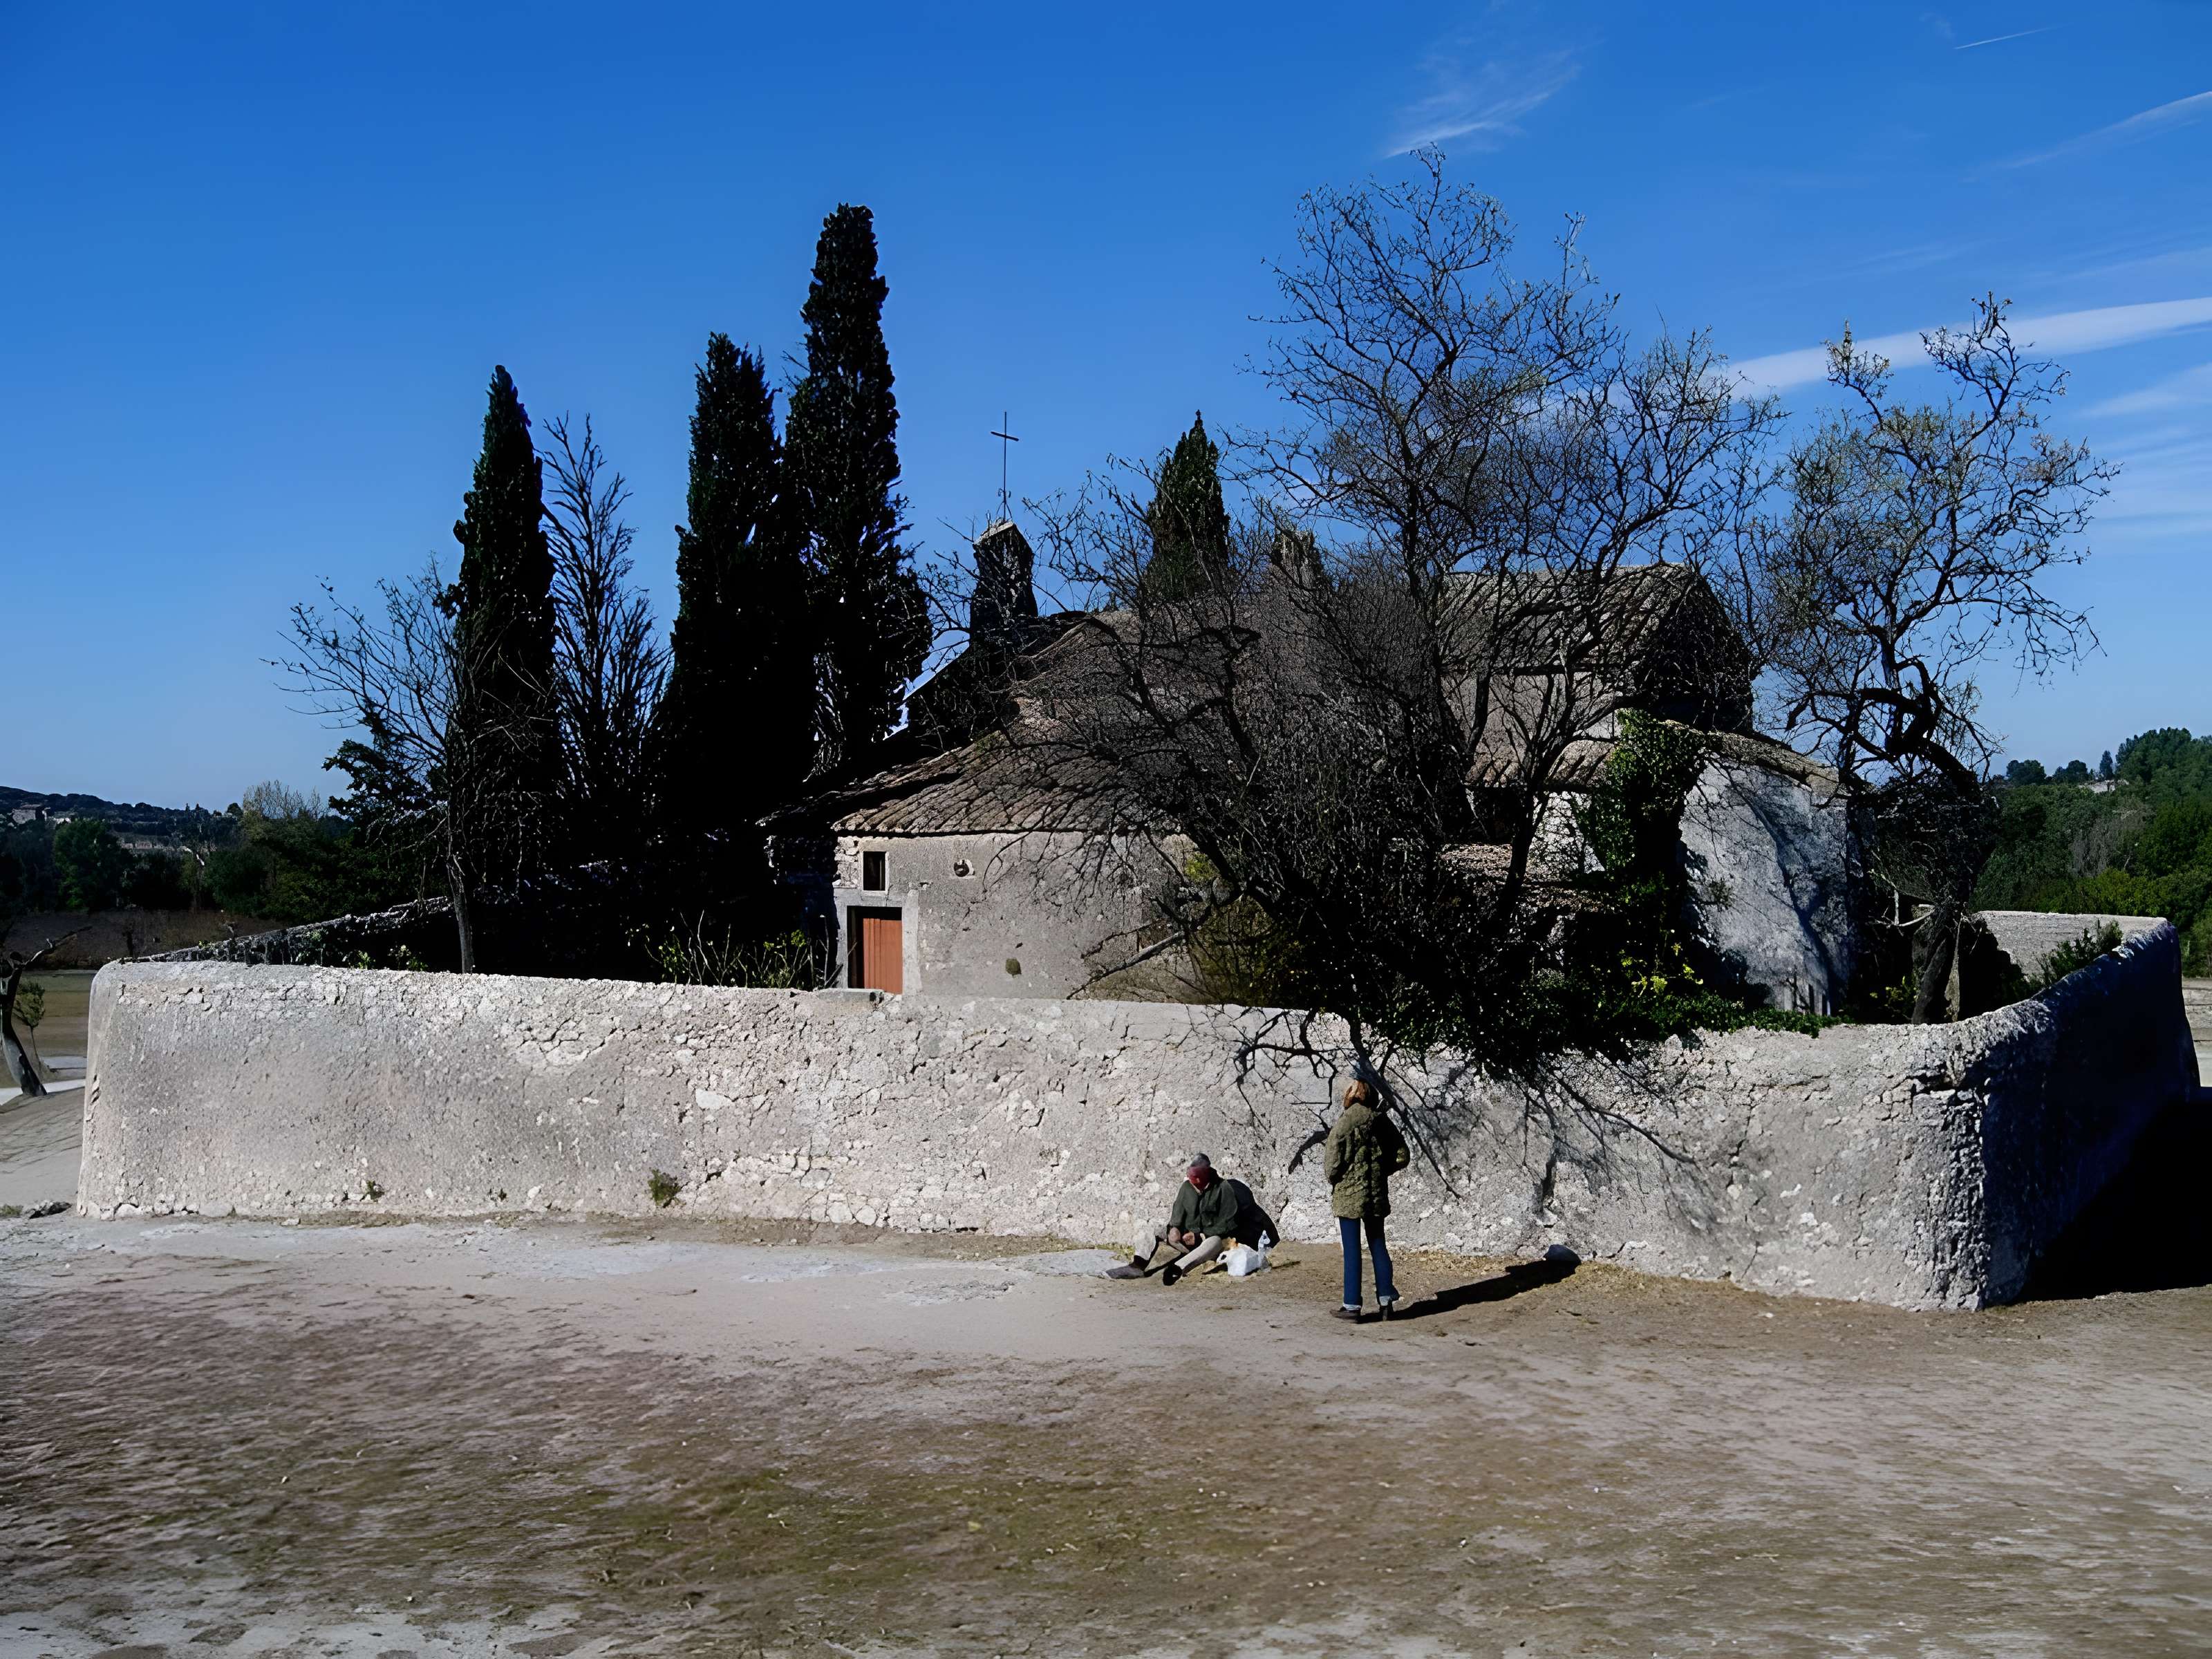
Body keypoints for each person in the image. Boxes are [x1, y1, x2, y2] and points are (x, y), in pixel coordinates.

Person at [1323, 1078, 1409, 1321]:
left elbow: (1332, 1164)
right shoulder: (1381, 1120)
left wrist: (1337, 1179)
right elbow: (1402, 1155)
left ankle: (1352, 1305)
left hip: (1349, 1195)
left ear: (1350, 1097)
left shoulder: (1345, 1122)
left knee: (1352, 1250)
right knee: (1378, 1244)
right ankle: (1386, 1302)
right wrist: (1383, 1171)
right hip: (1376, 1194)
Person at [1105, 1154, 1250, 1284]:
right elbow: (1177, 1212)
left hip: (1209, 1244)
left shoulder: (1223, 1188)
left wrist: (1200, 1236)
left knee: (1215, 1241)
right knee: (1154, 1228)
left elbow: (1229, 1224)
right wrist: (1174, 1228)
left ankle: (1178, 1269)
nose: (1194, 1180)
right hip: (1186, 1240)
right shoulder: (1186, 1187)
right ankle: (1137, 1266)